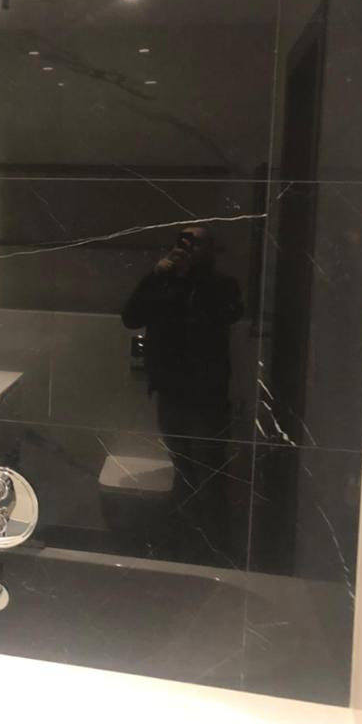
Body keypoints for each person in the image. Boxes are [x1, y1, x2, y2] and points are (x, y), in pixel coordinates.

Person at [122, 226, 243, 565]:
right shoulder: (164, 283)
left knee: (209, 472)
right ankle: (184, 549)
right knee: (184, 469)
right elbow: (130, 317)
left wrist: (191, 276)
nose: (187, 247)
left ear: (210, 250)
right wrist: (154, 275)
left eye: (195, 243)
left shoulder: (222, 285)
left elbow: (227, 313)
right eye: (182, 241)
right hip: (171, 391)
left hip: (207, 396)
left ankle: (215, 552)